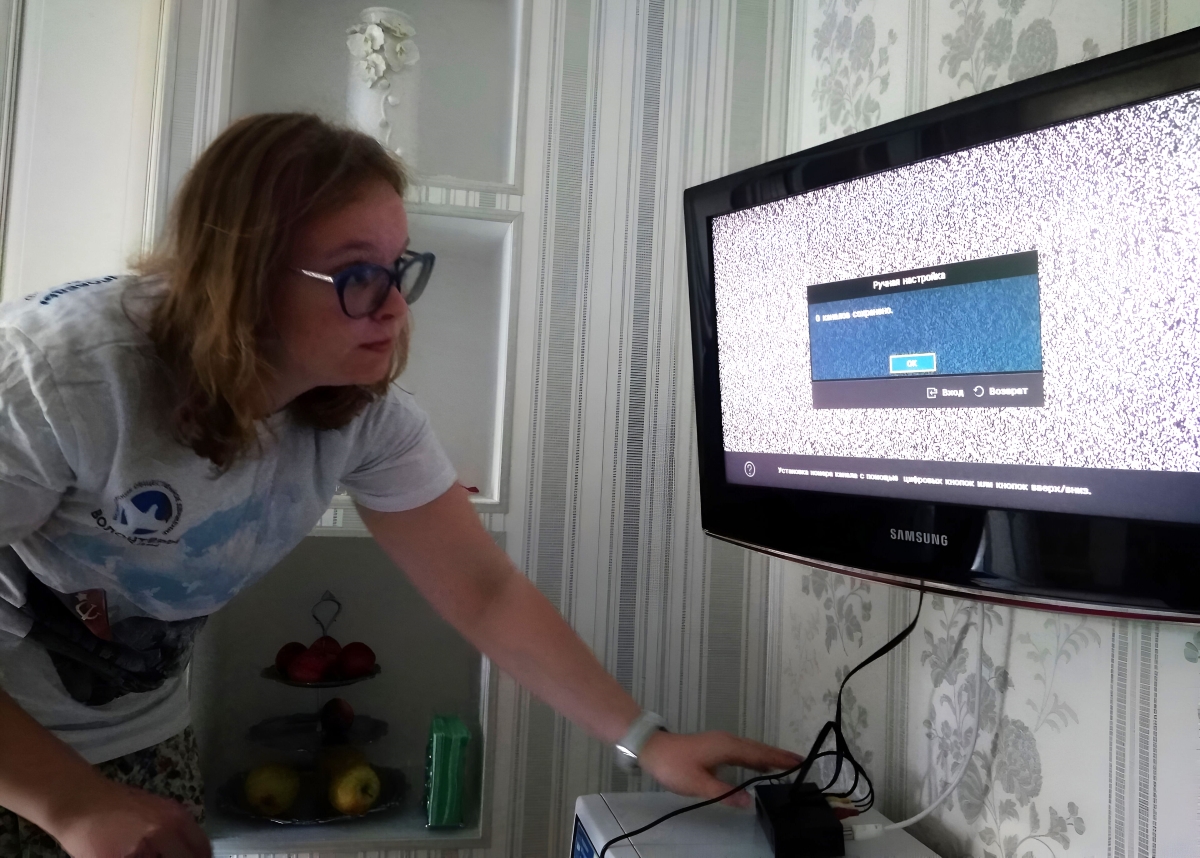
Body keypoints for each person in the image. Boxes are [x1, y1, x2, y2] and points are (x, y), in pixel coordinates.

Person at [0, 113, 799, 858]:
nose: (393, 307)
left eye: (398, 268)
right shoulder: (60, 379)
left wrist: (648, 741)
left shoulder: (363, 416)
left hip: (143, 727)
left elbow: (484, 591)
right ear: (244, 275)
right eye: (356, 274)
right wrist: (71, 803)